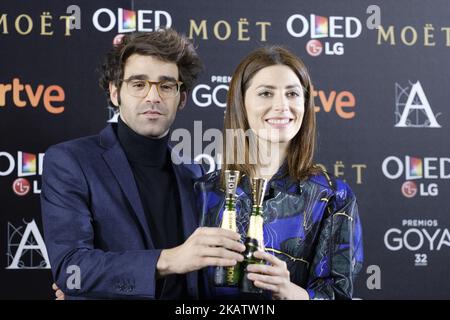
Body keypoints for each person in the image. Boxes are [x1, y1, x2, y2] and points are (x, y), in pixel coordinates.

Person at [41, 29, 245, 300]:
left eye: (166, 85)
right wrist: (168, 259)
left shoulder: (194, 174)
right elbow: (71, 269)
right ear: (115, 93)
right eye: (139, 84)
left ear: (181, 98)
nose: (153, 97)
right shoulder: (71, 161)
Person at [195, 46, 364, 300]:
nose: (282, 106)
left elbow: (338, 293)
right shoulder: (203, 193)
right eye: (265, 93)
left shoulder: (333, 196)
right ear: (240, 103)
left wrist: (291, 293)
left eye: (293, 94)